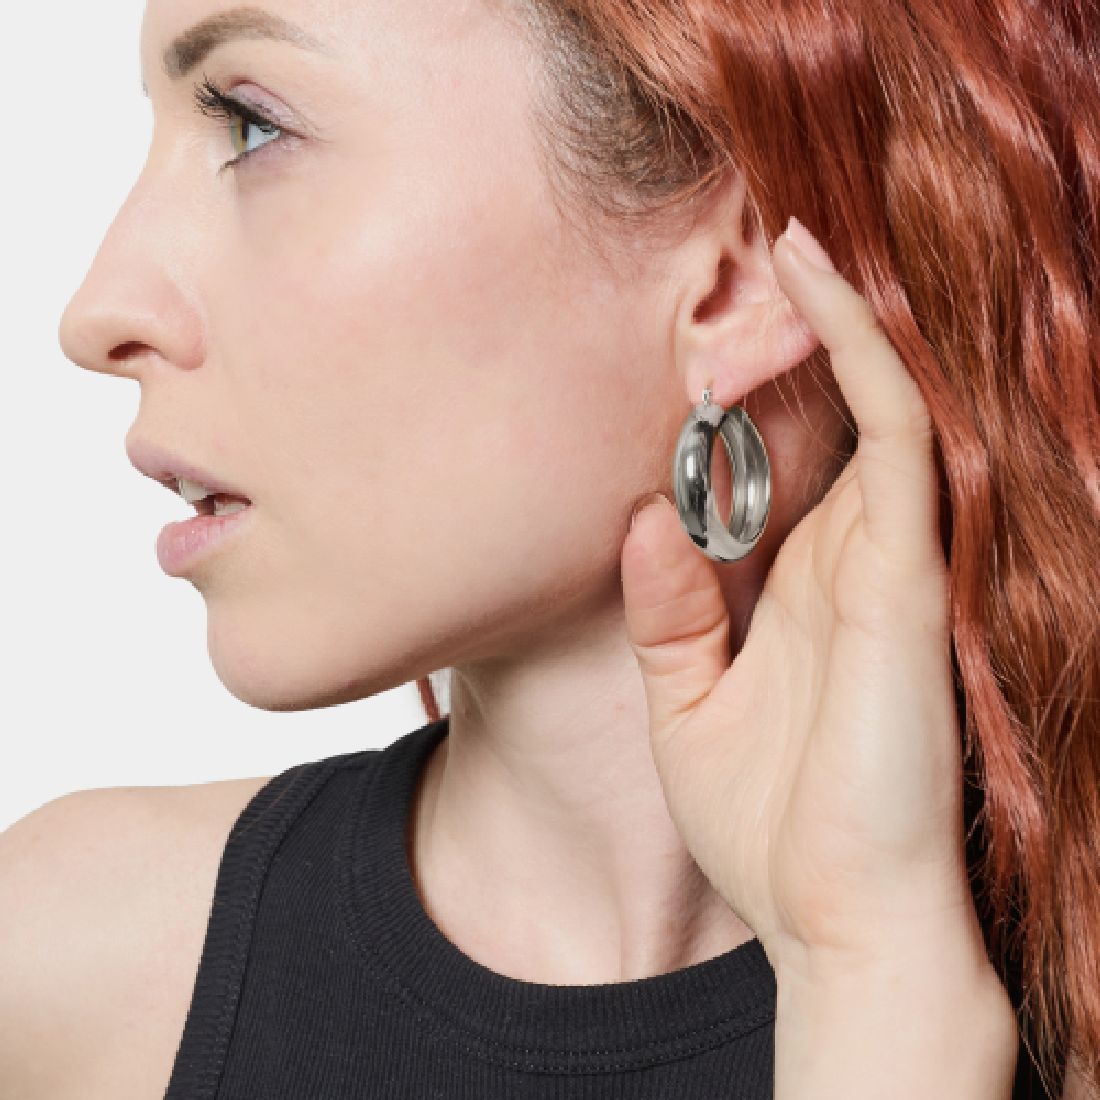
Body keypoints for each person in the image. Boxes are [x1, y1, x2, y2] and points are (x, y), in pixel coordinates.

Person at [1, 0, 1096, 1097]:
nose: (95, 312)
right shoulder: (68, 977)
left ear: (732, 281)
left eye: (251, 126)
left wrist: (874, 992)